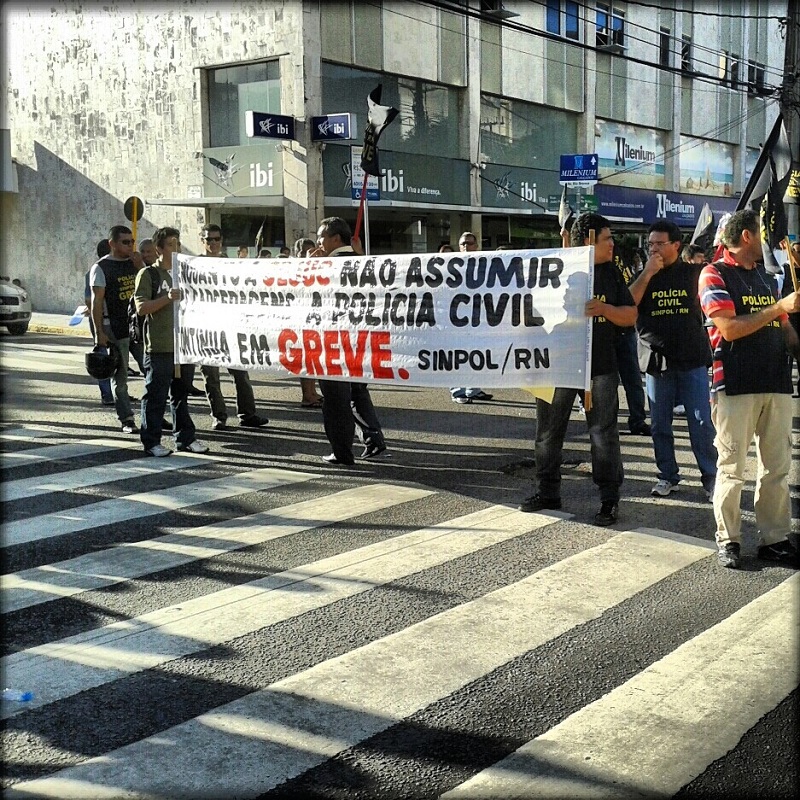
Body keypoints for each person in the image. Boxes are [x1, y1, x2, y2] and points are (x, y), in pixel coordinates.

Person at [519, 212, 637, 526]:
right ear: (587, 240)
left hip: (599, 369)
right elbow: (529, 316)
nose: (612, 244)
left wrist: (605, 310)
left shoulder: (611, 274)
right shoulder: (553, 270)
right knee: (547, 434)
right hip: (555, 367)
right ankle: (547, 492)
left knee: (603, 436)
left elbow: (630, 315)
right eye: (607, 238)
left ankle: (609, 500)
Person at [698, 209, 800, 569]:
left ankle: (775, 539)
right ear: (746, 237)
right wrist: (778, 309)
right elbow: (728, 328)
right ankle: (729, 539)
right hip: (735, 385)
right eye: (762, 233)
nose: (768, 241)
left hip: (775, 382)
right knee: (731, 467)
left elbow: (785, 328)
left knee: (777, 468)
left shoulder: (766, 275)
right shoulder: (713, 274)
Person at [628, 220, 717, 501]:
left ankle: (711, 476)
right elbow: (629, 305)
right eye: (650, 244)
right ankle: (667, 475)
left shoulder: (694, 273)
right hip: (657, 363)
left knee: (701, 422)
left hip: (691, 359)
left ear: (675, 246)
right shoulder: (644, 274)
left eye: (659, 244)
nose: (653, 248)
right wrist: (647, 273)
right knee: (660, 424)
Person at [309, 216, 387, 464]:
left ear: (335, 238)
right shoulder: (359, 261)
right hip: (360, 341)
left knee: (335, 399)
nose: (318, 242)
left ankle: (342, 451)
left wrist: (309, 267)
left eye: (321, 236)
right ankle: (373, 437)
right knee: (356, 391)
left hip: (334, 341)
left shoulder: (325, 265)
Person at [134, 226, 208, 457]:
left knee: (181, 395)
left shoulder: (182, 274)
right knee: (155, 395)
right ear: (159, 249)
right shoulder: (149, 275)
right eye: (170, 244)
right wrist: (167, 298)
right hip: (159, 347)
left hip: (182, 346)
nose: (175, 249)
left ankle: (185, 438)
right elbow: (142, 307)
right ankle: (151, 441)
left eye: (178, 244)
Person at [194, 223, 269, 430]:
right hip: (205, 328)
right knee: (211, 376)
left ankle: (247, 414)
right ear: (202, 241)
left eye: (217, 239)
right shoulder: (194, 265)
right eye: (209, 239)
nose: (214, 243)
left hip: (231, 326)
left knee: (240, 374)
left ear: (222, 241)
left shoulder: (231, 264)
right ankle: (219, 416)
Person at [89, 225, 142, 434]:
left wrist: (139, 266)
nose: (130, 246)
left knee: (151, 373)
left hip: (137, 328)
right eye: (125, 242)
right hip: (115, 328)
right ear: (112, 244)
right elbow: (96, 303)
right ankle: (127, 419)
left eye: (132, 242)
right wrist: (99, 333)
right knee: (120, 378)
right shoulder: (101, 267)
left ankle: (151, 414)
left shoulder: (135, 263)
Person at [449, 231, 493, 405]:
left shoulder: (485, 265)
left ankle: (473, 389)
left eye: (469, 243)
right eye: (463, 244)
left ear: (477, 246)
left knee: (477, 354)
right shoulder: (451, 266)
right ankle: (457, 390)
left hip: (478, 317)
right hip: (456, 318)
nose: (466, 246)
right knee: (456, 355)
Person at [614, 251, 650, 436]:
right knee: (609, 382)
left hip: (626, 331)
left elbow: (631, 298)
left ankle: (638, 420)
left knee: (633, 380)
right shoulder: (595, 269)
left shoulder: (626, 272)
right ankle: (608, 422)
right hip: (607, 333)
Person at [87, 239, 114, 406]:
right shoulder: (97, 270)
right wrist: (99, 330)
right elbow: (90, 299)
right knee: (102, 360)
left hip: (115, 322)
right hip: (101, 320)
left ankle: (117, 393)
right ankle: (107, 394)